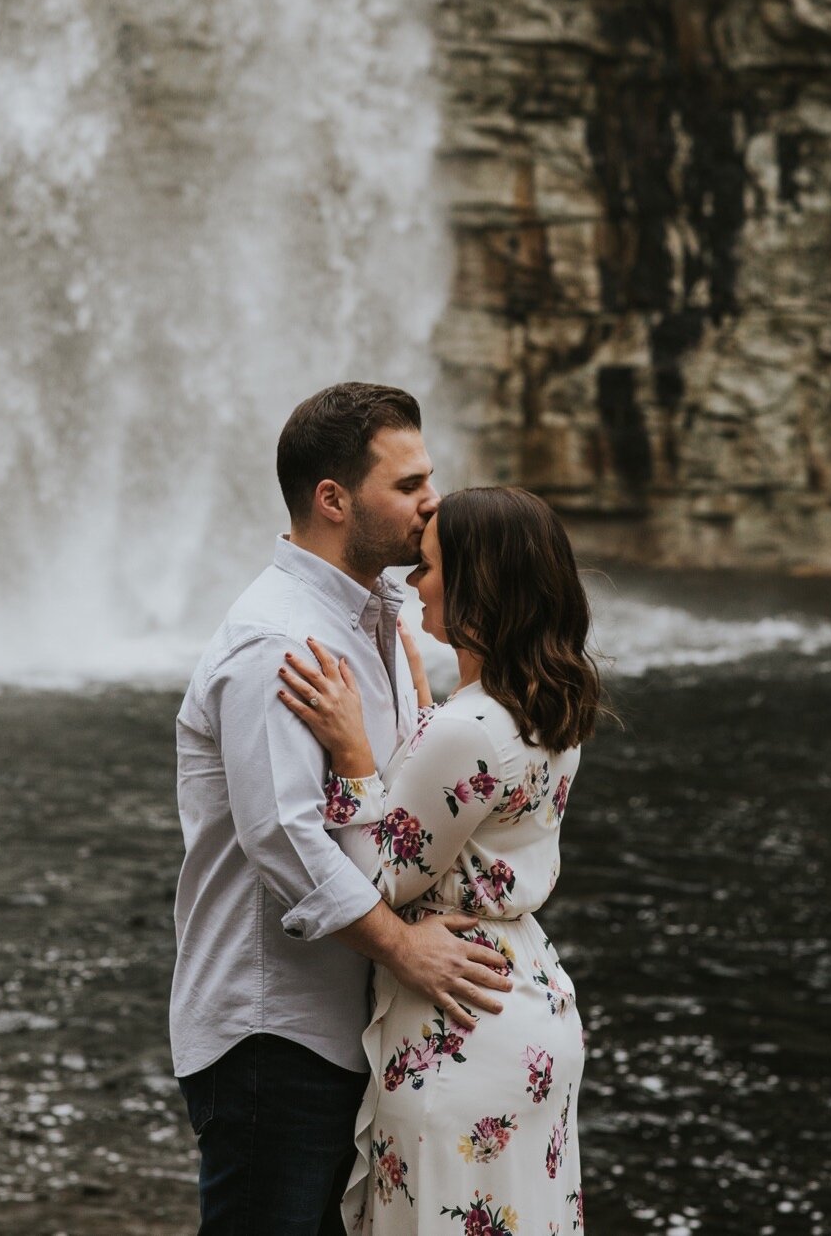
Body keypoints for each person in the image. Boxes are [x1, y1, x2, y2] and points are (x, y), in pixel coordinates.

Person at [171, 384, 514, 1236]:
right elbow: (283, 836)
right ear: (332, 499)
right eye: (407, 485)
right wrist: (406, 952)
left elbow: (395, 805)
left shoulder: (377, 618)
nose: (431, 501)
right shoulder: (277, 642)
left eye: (427, 478)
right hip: (273, 1034)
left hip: (345, 1024)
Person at [278, 485, 602, 1234]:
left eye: (427, 567)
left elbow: (376, 878)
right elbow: (470, 814)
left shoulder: (467, 730)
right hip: (528, 998)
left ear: (475, 585)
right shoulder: (547, 703)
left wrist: (356, 751)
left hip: (458, 1020)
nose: (413, 582)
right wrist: (427, 705)